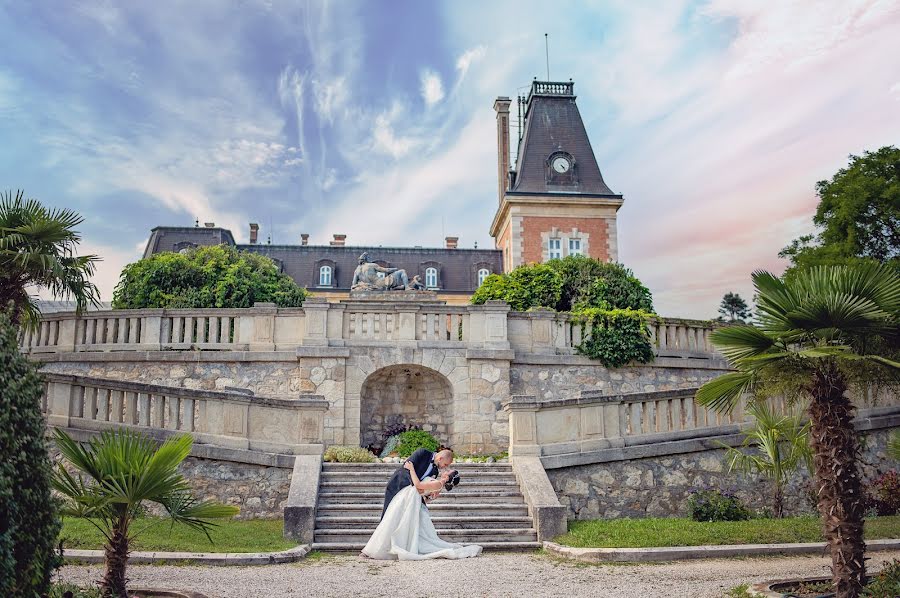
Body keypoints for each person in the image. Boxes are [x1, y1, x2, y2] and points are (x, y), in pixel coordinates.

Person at [362, 449, 481, 560]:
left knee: (399, 521)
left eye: (447, 468)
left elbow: (420, 486)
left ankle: (389, 548)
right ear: (440, 458)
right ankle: (378, 547)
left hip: (412, 496)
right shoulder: (422, 453)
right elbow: (407, 468)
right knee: (388, 517)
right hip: (398, 487)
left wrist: (420, 492)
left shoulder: (435, 472)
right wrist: (414, 488)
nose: (445, 468)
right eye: (445, 465)